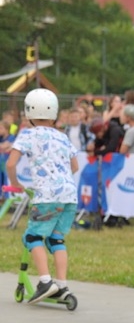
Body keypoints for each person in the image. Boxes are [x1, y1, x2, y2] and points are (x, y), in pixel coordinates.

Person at [4, 89, 78, 303]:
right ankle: (62, 285)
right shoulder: (62, 136)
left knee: (32, 237)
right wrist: (60, 180)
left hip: (46, 195)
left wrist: (16, 184)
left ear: (28, 112)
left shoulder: (27, 134)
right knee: (56, 238)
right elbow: (74, 165)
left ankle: (45, 282)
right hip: (68, 195)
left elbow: (10, 164)